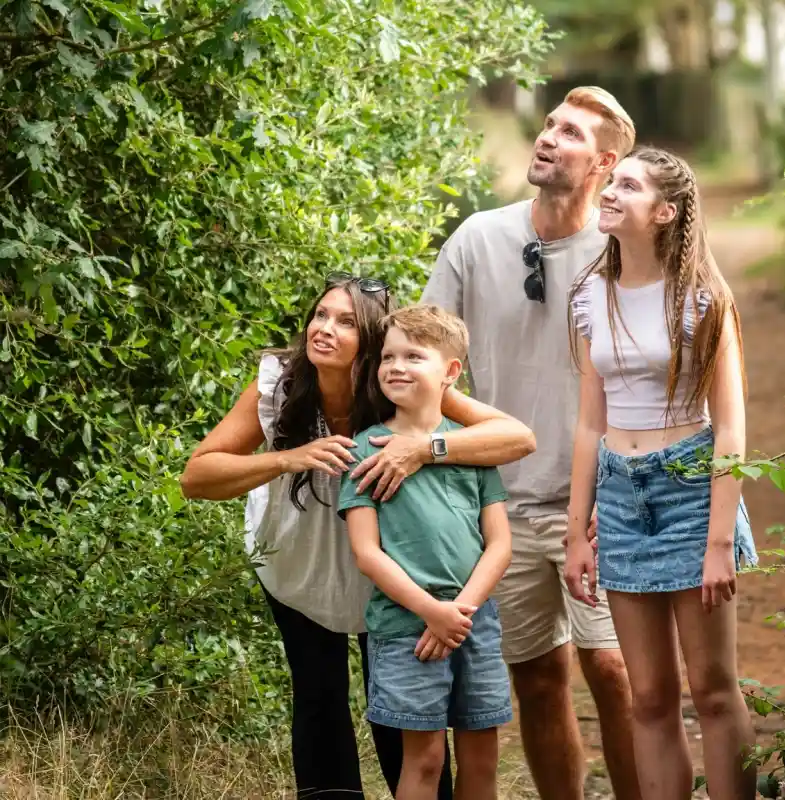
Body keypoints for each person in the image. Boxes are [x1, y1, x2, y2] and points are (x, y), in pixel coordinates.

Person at [179, 273, 535, 799]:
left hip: (387, 565)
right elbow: (196, 477)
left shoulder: (394, 383)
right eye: (320, 315)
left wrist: (423, 449)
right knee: (319, 694)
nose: (324, 329)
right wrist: (287, 458)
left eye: (346, 322)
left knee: (397, 704)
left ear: (372, 340)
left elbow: (516, 437)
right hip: (297, 555)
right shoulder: (279, 381)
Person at [420, 86, 641, 800]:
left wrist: (625, 484)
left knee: (612, 668)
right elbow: (425, 359)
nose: (548, 137)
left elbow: (651, 377)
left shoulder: (622, 251)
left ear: (604, 162)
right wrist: (471, 442)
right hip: (498, 505)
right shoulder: (477, 239)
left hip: (596, 497)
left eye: (571, 133)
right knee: (539, 678)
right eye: (549, 125)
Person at [563, 146, 759, 800]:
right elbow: (589, 422)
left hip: (690, 490)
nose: (609, 191)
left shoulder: (703, 298)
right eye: (610, 181)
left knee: (711, 689)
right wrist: (576, 533)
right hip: (620, 494)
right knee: (647, 695)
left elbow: (730, 428)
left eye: (627, 185)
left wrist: (716, 544)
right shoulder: (592, 295)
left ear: (665, 211)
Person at [339, 305, 514, 800]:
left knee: (482, 757)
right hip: (406, 627)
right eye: (388, 356)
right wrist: (431, 612)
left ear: (451, 373)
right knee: (426, 760)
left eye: (413, 356)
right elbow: (367, 553)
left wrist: (460, 612)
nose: (395, 366)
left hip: (473, 620)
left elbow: (499, 543)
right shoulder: (364, 448)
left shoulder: (472, 447)